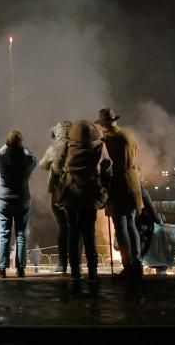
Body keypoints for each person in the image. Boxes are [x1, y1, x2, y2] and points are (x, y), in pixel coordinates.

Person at [58, 120, 112, 282]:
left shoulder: (68, 146)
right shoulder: (99, 147)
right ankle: (93, 271)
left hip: (70, 194)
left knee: (73, 233)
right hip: (90, 194)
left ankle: (75, 270)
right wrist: (105, 188)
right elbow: (107, 168)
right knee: (89, 233)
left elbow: (59, 165)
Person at [96, 108, 143, 280]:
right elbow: (136, 152)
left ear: (105, 124)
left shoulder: (108, 140)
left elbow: (106, 165)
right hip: (133, 182)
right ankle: (137, 264)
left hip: (118, 185)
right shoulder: (128, 134)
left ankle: (128, 266)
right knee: (131, 224)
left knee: (121, 227)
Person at [0, 129, 37, 278]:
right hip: (22, 199)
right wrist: (24, 148)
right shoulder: (26, 160)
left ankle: (2, 269)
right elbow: (35, 160)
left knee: (4, 234)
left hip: (4, 199)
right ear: (20, 143)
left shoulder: (2, 159)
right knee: (21, 234)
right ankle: (21, 268)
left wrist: (6, 146)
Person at [39, 121, 72, 273]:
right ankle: (76, 262)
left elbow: (43, 165)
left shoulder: (53, 148)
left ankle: (62, 263)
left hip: (58, 193)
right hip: (75, 192)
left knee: (63, 228)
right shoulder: (76, 146)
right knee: (75, 228)